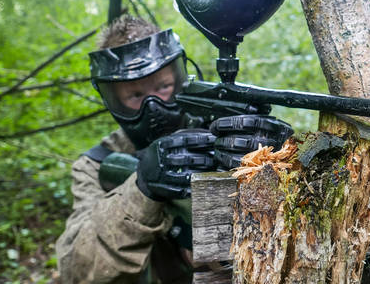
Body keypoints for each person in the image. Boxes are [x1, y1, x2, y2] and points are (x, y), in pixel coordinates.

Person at [55, 15, 292, 283]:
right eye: (135, 96)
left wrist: (276, 158)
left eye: (163, 87)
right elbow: (76, 270)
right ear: (114, 100)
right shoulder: (95, 165)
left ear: (180, 79)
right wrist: (141, 188)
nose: (153, 107)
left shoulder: (221, 132)